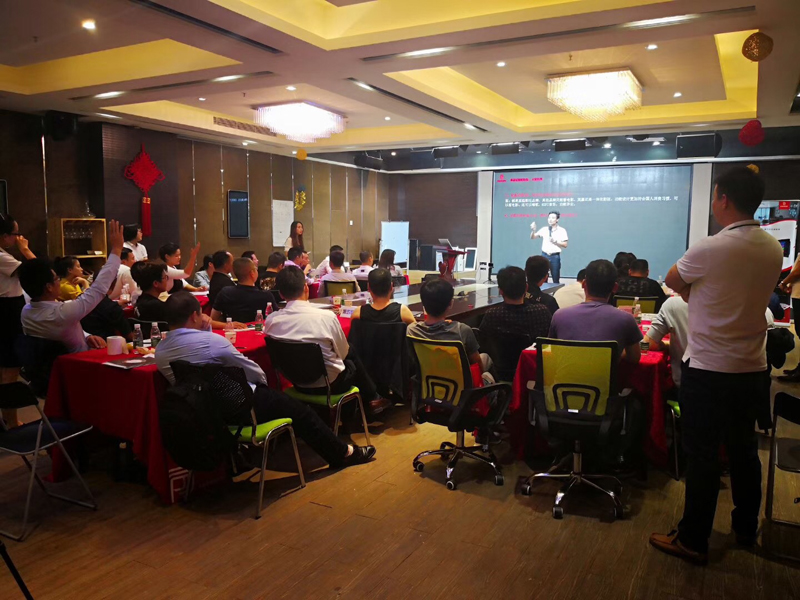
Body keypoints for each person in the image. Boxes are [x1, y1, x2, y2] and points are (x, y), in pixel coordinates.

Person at [650, 167, 783, 566]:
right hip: (752, 367)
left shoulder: (709, 248)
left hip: (708, 368)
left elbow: (674, 281)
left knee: (703, 455)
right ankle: (745, 527)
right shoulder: (772, 248)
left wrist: (699, 296)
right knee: (744, 450)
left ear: (723, 199)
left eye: (714, 196)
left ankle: (693, 539)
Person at [155, 292, 376, 468]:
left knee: (292, 407)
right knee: (302, 413)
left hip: (206, 413)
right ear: (195, 315)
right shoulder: (213, 343)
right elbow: (254, 372)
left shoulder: (161, 352)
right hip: (243, 407)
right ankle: (343, 453)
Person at [264, 267, 387, 413]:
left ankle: (371, 398)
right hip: (331, 385)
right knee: (351, 353)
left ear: (281, 294)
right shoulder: (326, 317)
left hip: (296, 383)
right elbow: (343, 354)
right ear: (306, 288)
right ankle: (373, 398)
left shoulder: (271, 321)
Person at [19, 220, 124, 354]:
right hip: (77, 362)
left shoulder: (26, 312)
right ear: (49, 287)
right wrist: (116, 250)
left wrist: (87, 336)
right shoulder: (62, 313)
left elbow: (61, 329)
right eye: (56, 279)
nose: (59, 281)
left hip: (47, 365)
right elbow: (98, 289)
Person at [549, 259, 642, 362]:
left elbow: (553, 352)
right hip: (605, 373)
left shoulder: (559, 316)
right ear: (615, 288)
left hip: (565, 373)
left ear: (584, 284)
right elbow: (634, 358)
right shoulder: (626, 319)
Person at [408, 278, 493, 379]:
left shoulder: (412, 330)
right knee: (486, 359)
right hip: (461, 385)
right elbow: (477, 365)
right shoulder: (462, 330)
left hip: (429, 382)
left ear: (423, 303)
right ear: (450, 303)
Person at [0, 214, 36, 428]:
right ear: (5, 236)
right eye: (16, 234)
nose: (19, 238)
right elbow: (37, 272)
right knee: (10, 369)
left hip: (8, 309)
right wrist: (25, 249)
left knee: (7, 368)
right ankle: (10, 422)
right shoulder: (2, 257)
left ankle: (7, 420)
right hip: (7, 312)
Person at [479, 266, 551, 342]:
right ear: (526, 288)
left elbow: (482, 341)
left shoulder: (492, 316)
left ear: (500, 291)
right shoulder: (541, 312)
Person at [211, 257, 277, 323]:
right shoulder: (266, 295)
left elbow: (213, 318)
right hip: (257, 328)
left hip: (232, 328)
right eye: (256, 269)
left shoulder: (225, 292)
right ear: (252, 273)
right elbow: (276, 318)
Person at [530, 211, 568, 283]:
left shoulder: (562, 230)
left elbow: (565, 244)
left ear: (557, 220)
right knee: (542, 278)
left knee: (555, 278)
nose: (550, 219)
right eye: (549, 217)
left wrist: (555, 241)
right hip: (544, 255)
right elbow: (533, 237)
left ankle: (556, 290)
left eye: (553, 218)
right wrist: (533, 230)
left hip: (555, 256)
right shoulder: (544, 229)